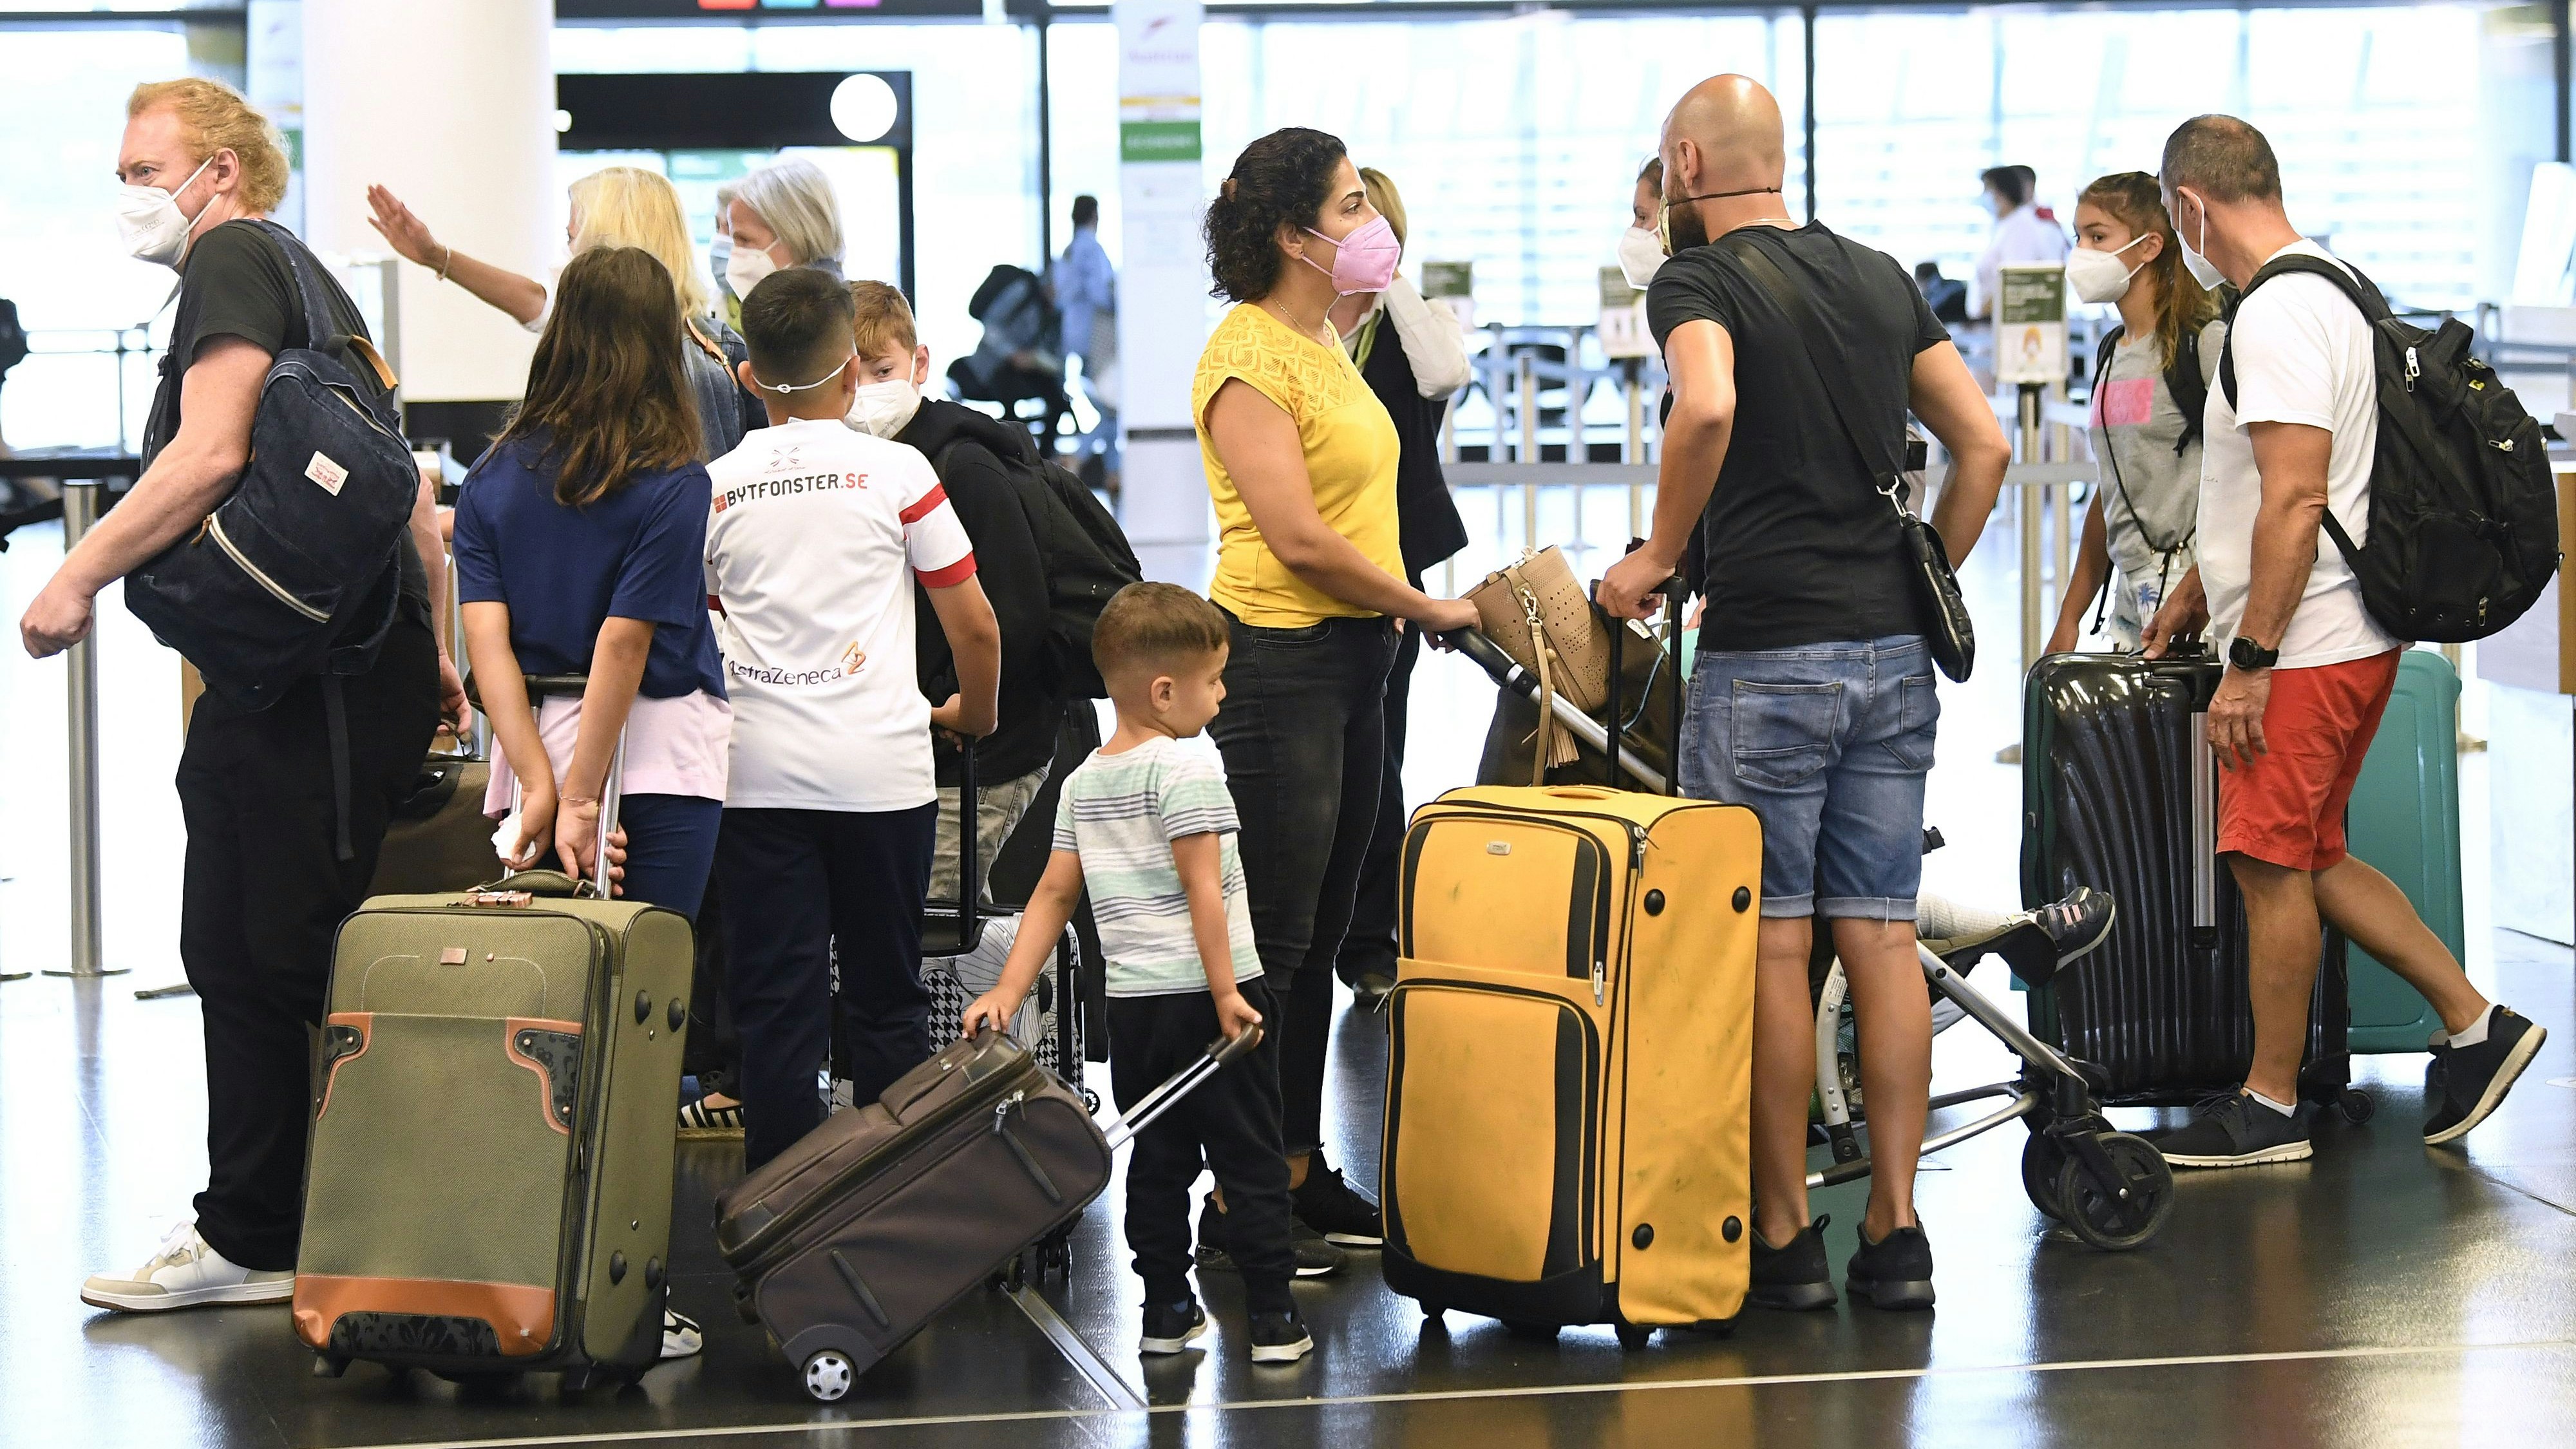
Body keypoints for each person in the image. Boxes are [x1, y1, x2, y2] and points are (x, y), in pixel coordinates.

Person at [1597, 75, 2010, 1312]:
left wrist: (1659, 553)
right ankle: (1897, 1232)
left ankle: (1785, 1237)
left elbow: (1708, 405)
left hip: (1766, 655)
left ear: (1685, 162)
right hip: (1892, 656)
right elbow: (1984, 444)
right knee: (1879, 935)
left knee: (1775, 944)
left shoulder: (1697, 282)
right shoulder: (1879, 275)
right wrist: (1925, 573)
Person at [46, 79, 457, 1314]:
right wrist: (432, 651)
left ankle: (259, 1233)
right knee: (260, 942)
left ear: (218, 171)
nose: (132, 196)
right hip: (354, 664)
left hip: (309, 683)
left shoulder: (231, 261)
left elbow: (211, 449)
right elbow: (408, 489)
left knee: (250, 948)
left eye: (145, 172)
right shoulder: (311, 278)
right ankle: (280, 1218)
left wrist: (75, 572)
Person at [2138, 115, 2544, 1168]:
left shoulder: (2275, 313)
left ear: (2191, 205)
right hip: (2348, 626)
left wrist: (2249, 662)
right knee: (2315, 855)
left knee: (2267, 863)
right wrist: (2200, 588)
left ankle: (2268, 1106)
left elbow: (2297, 496)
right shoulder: (2339, 288)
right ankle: (2477, 1024)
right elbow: (2303, 489)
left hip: (2303, 643)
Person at [1195, 128, 1482, 1271]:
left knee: (1316, 937)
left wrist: (1395, 615)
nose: (1373, 223)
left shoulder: (1326, 339)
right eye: (1353, 204)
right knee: (1273, 941)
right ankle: (1240, 1200)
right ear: (1291, 232)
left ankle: (1295, 1168)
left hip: (1354, 660)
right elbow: (1299, 538)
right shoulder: (1246, 355)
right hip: (1281, 666)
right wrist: (1425, 604)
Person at [963, 582, 1312, 1365]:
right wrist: (1227, 994)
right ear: (1164, 691)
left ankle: (1164, 1310)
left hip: (1136, 1011)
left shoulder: (1083, 781)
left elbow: (1053, 895)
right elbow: (1203, 890)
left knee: (1158, 1161)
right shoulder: (1188, 769)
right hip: (1215, 1002)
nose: (1221, 697)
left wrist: (1006, 990)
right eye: (1213, 681)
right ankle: (1273, 1319)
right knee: (1250, 1158)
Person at [704, 268, 1000, 1172]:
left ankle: (781, 1224)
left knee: (777, 1014)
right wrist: (975, 713)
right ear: (849, 372)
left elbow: (701, 632)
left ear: (747, 378)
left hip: (755, 782)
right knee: (887, 1003)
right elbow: (975, 625)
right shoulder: (899, 471)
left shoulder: (710, 489)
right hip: (882, 778)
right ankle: (892, 1214)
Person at [452, 245, 730, 920]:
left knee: (550, 972)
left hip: (535, 753)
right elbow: (624, 642)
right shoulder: (675, 479)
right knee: (650, 969)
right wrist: (581, 799)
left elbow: (486, 644)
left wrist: (540, 786)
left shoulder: (490, 477)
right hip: (658, 757)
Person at [842, 280, 1061, 902]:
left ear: (919, 364)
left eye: (882, 371)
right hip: (913, 747)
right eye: (852, 378)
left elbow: (1015, 615)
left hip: (981, 751)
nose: (867, 393)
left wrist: (949, 704)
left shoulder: (965, 466)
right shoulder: (864, 466)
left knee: (933, 913)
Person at [1323, 167, 1472, 1007]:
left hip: (1393, 569)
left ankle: (1372, 943)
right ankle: (1322, 933)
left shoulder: (1414, 327)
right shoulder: (1302, 329)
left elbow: (1447, 372)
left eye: (1371, 221)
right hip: (1312, 568)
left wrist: (1389, 276)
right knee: (1326, 769)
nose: (1360, 235)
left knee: (1381, 757)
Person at [366, 166, 759, 459]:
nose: (564, 257)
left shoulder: (652, 362)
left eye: (572, 238)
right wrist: (437, 257)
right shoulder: (708, 345)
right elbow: (534, 302)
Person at [2045, 172, 2224, 655]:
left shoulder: (2203, 345)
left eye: (2098, 237)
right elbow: (2112, 492)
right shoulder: (2110, 353)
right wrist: (2069, 618)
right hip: (2132, 603)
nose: (2081, 252)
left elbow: (2255, 478)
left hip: (2199, 606)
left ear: (2149, 247)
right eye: (2078, 237)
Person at [1052, 194, 1121, 491]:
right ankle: (1077, 456)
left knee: (1109, 408)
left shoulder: (1068, 251)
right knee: (1111, 410)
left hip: (1074, 335)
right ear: (1095, 215)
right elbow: (1100, 293)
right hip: (1096, 338)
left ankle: (1114, 473)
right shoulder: (1090, 248)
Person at [724, 157, 846, 292]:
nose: (735, 254)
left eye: (745, 240)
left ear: (797, 234)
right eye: (734, 242)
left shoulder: (835, 304)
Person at [1971, 163, 2068, 321]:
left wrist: (1985, 310)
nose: (1984, 196)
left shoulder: (2021, 226)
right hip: (1992, 320)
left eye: (1987, 189)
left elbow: (2017, 282)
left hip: (2008, 321)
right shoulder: (2004, 225)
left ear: (2002, 192)